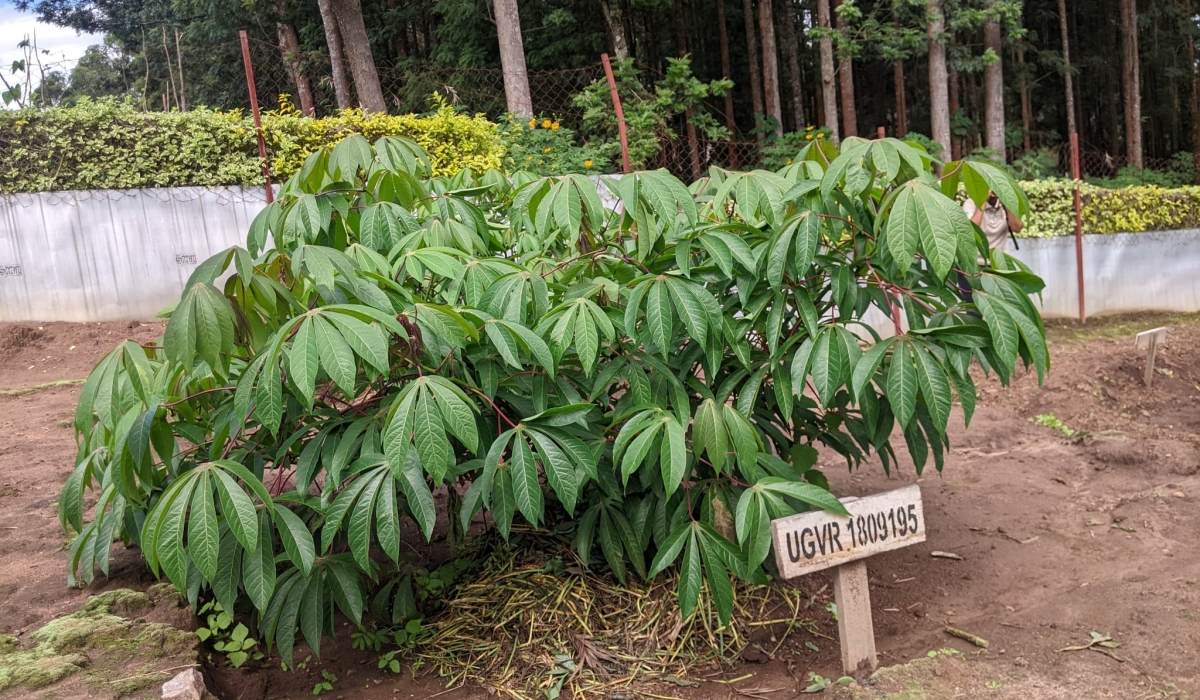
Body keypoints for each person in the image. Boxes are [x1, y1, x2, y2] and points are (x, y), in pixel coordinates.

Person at [959, 191, 1024, 304]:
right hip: (973, 265)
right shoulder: (970, 203)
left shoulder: (1004, 206)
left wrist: (1006, 201)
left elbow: (1017, 227)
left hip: (998, 265)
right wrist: (983, 200)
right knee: (975, 305)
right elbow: (971, 230)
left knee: (1002, 304)